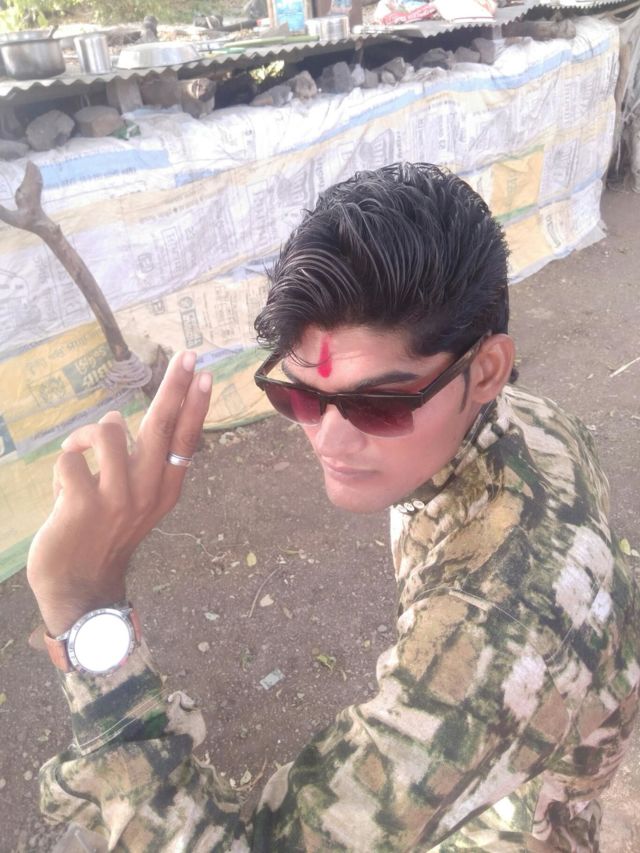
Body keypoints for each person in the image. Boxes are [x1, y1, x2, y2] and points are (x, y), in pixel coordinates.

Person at [28, 163, 639, 851]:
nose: (328, 439)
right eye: (299, 395)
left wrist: (84, 609)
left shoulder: (497, 631)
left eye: (379, 405)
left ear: (487, 370)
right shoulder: (525, 419)